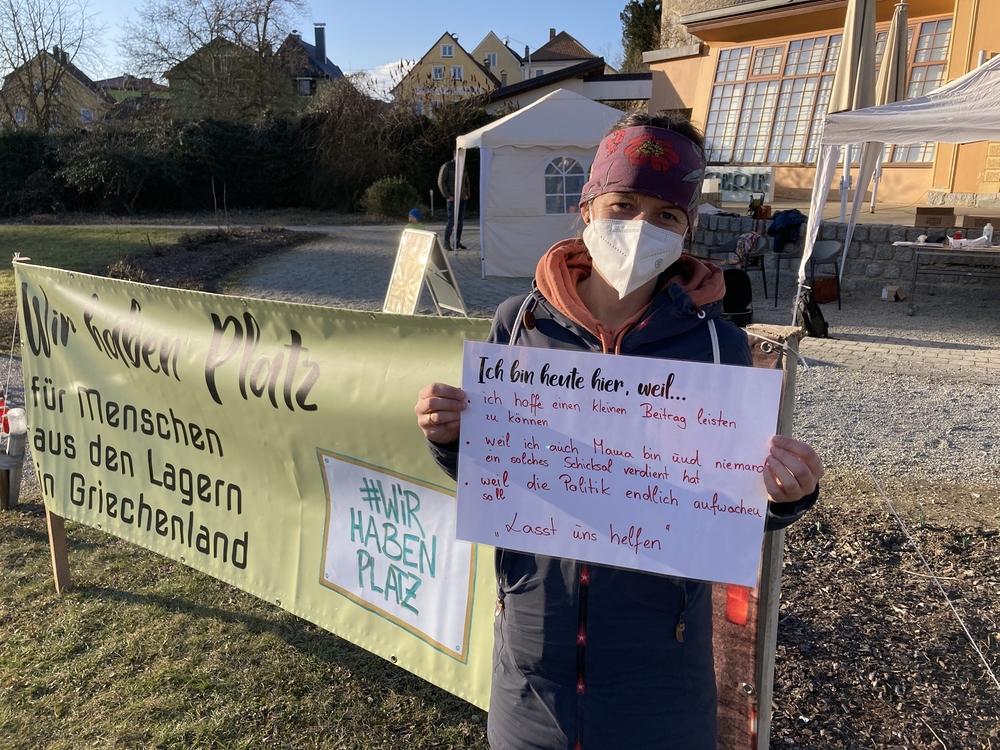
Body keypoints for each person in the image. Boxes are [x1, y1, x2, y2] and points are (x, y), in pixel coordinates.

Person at [414, 112, 824, 750]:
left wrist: (784, 495)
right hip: (531, 665)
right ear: (586, 209)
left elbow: (728, 505)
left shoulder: (719, 346)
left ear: (687, 229)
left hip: (661, 679)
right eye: (623, 204)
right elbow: (493, 474)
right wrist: (450, 439)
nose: (639, 228)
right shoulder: (516, 325)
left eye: (666, 215)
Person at [437, 155, 470, 251]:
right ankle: (446, 242)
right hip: (452, 198)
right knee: (451, 221)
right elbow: (441, 182)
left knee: (460, 222)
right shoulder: (447, 166)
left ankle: (457, 242)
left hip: (462, 198)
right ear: (455, 155)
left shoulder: (463, 167)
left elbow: (467, 182)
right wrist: (447, 195)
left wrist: (467, 194)